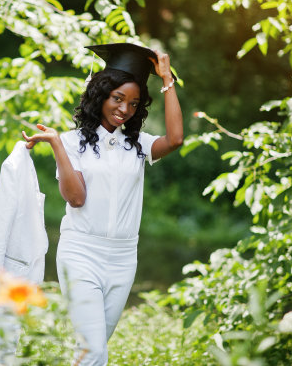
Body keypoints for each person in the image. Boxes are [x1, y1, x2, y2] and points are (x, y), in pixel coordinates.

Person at [22, 42, 183, 365]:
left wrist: (168, 81)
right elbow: (76, 197)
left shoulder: (138, 146)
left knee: (89, 352)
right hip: (81, 254)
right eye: (118, 98)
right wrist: (56, 144)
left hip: (123, 260)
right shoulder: (71, 142)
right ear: (102, 96)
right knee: (94, 352)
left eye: (133, 103)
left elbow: (176, 139)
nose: (124, 109)